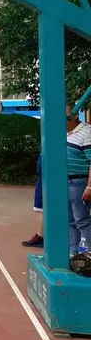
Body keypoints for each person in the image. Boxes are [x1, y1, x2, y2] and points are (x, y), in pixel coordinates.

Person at [66, 106, 91, 256]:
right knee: (70, 220)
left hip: (79, 182)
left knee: (82, 220)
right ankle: (74, 253)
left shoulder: (86, 132)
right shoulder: (64, 133)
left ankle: (86, 255)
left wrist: (89, 186)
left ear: (75, 116)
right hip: (65, 182)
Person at [21, 154, 44, 247]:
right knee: (39, 208)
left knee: (40, 209)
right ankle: (39, 236)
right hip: (43, 178)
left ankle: (41, 237)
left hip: (47, 179)